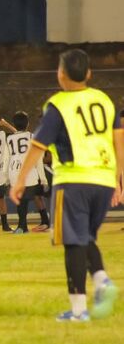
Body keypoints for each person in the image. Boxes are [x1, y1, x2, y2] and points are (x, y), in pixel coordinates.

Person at [11, 49, 124, 322]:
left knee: (73, 242)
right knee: (84, 237)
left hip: (73, 179)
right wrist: (120, 178)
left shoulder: (59, 105)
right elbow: (118, 137)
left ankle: (79, 309)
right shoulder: (104, 100)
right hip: (103, 180)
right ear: (88, 74)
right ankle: (100, 280)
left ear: (60, 74)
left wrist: (21, 178)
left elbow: (38, 145)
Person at [6, 111, 50, 233]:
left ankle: (22, 226)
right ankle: (31, 224)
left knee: (21, 201)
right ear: (28, 123)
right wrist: (43, 178)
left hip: (14, 171)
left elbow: (6, 158)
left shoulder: (9, 138)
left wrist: (7, 177)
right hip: (30, 172)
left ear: (14, 123)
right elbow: (38, 158)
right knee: (34, 197)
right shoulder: (32, 136)